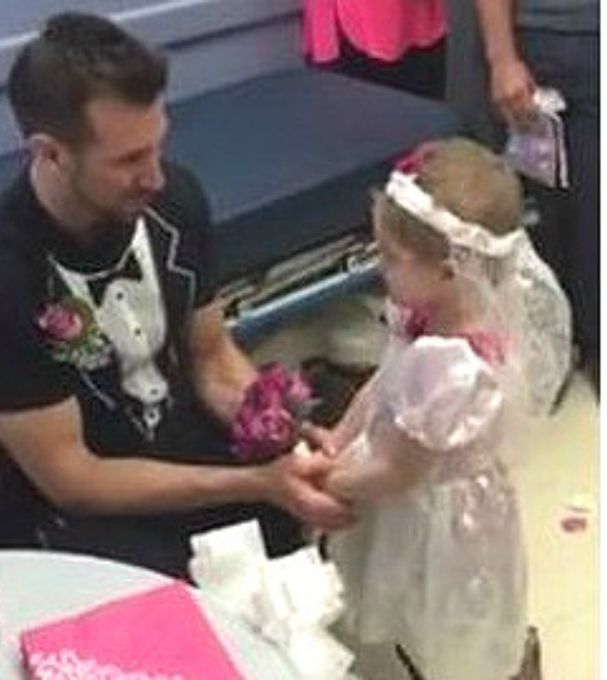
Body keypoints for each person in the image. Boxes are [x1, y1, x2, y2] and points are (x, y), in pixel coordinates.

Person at [0, 12, 352, 577]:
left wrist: (275, 429)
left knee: (301, 542)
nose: (155, 177)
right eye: (128, 160)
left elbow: (210, 354)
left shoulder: (174, 201)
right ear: (51, 152)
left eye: (156, 146)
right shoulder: (11, 273)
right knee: (177, 607)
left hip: (184, 446)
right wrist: (253, 482)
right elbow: (73, 479)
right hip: (82, 509)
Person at [323, 138, 569, 680]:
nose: (381, 268)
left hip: (434, 514)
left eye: (392, 258)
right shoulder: (427, 317)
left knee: (439, 617)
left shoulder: (449, 366)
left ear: (451, 269)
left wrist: (326, 480)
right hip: (401, 474)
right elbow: (381, 383)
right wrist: (337, 439)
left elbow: (398, 474)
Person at [471, 0, 599, 390]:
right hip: (538, 44)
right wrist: (502, 57)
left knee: (597, 225)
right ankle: (551, 354)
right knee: (543, 231)